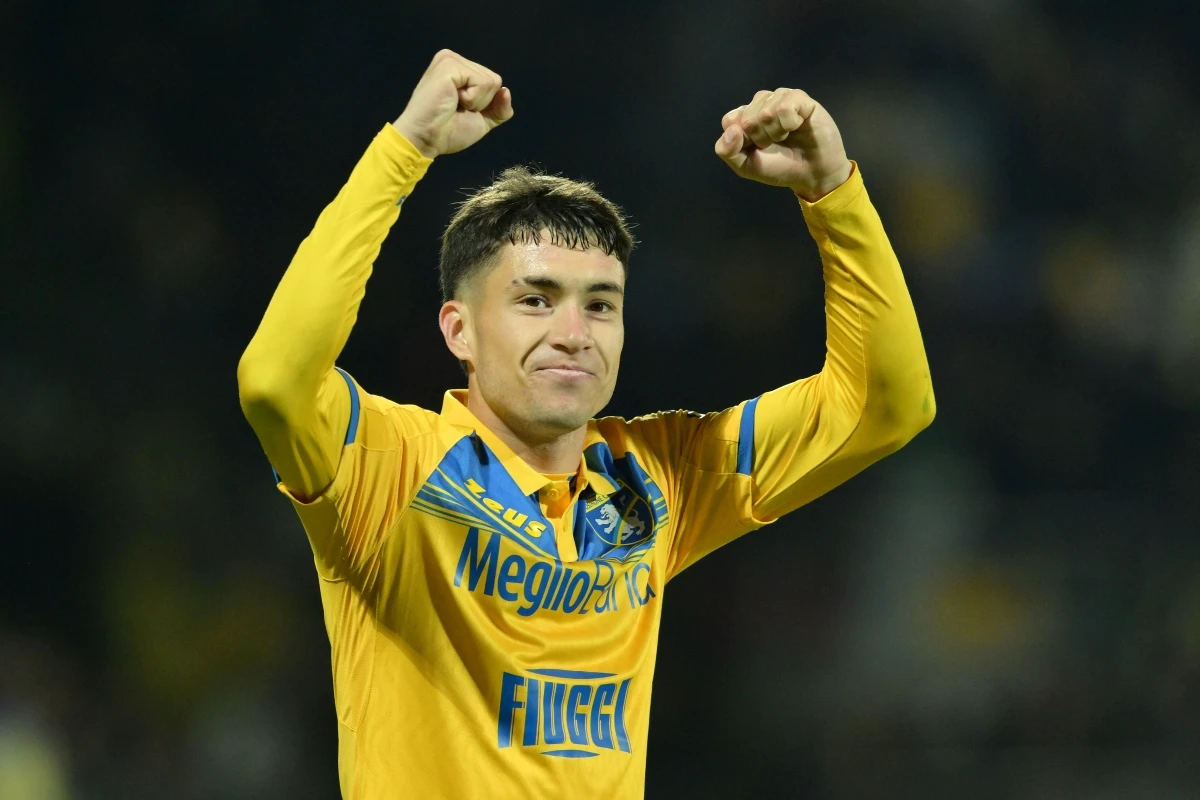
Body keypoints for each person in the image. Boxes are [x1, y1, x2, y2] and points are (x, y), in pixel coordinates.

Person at [237, 48, 934, 800]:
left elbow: (888, 405)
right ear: (459, 331)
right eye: (535, 300)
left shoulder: (659, 477)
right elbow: (275, 380)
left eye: (600, 304)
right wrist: (405, 149)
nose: (576, 332)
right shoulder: (392, 468)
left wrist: (834, 194)